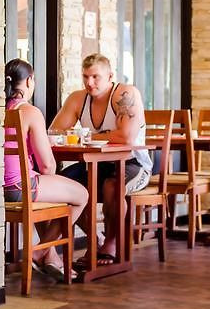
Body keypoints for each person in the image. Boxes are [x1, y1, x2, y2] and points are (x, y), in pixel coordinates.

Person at [48, 53, 153, 262]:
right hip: (94, 164)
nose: (89, 83)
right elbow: (54, 133)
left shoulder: (125, 94)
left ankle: (111, 242)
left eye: (95, 77)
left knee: (111, 186)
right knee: (60, 186)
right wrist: (93, 136)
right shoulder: (78, 99)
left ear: (110, 76)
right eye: (85, 76)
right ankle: (94, 238)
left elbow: (125, 137)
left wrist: (86, 136)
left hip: (133, 163)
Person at [4, 59, 88, 281]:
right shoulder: (30, 111)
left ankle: (48, 255)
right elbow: (48, 166)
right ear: (29, 81)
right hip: (20, 187)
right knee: (82, 195)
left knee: (46, 191)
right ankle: (41, 250)